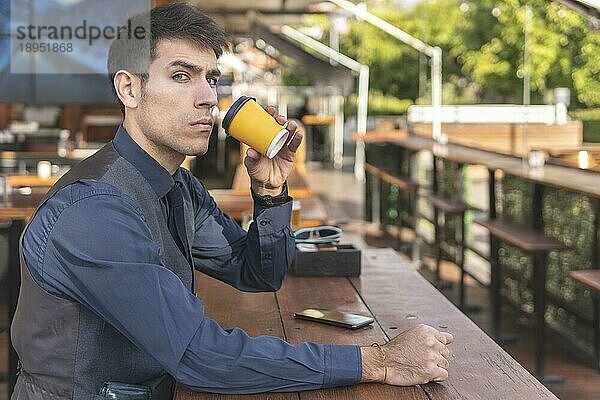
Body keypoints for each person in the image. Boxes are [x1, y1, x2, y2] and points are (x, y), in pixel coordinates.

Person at [10, 3, 453, 399]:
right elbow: (200, 357)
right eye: (181, 76)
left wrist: (270, 191)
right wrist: (379, 361)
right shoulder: (96, 209)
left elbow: (258, 272)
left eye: (211, 79)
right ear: (129, 89)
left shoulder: (178, 188)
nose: (207, 98)